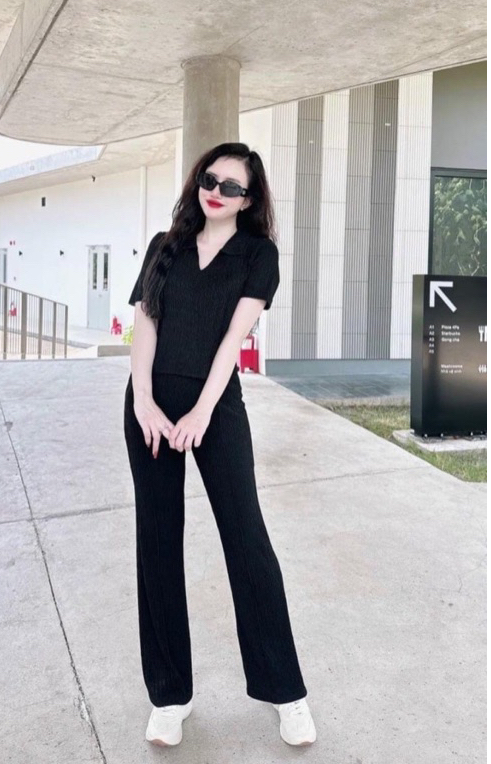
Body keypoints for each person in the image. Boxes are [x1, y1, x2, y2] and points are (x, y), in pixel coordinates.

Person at [123, 142, 317, 748]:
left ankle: (286, 692)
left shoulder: (258, 255)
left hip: (216, 407)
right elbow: (145, 324)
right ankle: (168, 697)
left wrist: (202, 412)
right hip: (150, 408)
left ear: (249, 199)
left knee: (247, 539)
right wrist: (143, 401)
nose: (217, 192)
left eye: (232, 187)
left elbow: (234, 340)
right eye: (211, 179)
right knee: (157, 544)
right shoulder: (165, 245)